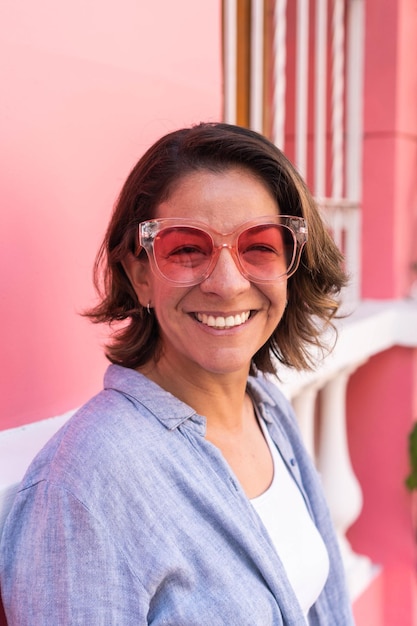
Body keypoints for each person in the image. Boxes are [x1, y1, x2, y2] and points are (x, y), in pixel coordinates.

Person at [0, 123, 354, 625]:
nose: (228, 284)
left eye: (260, 246)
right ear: (139, 274)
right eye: (187, 249)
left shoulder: (266, 407)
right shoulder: (85, 484)